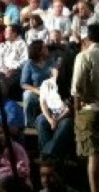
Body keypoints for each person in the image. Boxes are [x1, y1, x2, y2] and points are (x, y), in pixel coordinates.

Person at [71, 23, 99, 192]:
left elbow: (77, 89)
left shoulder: (84, 56)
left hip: (90, 110)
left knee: (93, 157)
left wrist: (76, 113)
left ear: (88, 38)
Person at [36, 68, 75, 158]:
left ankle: (46, 155)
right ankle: (51, 156)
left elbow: (69, 109)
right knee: (40, 120)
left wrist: (57, 120)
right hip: (50, 113)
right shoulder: (46, 83)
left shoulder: (69, 85)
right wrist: (50, 120)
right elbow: (43, 104)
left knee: (66, 124)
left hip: (65, 116)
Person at [20, 39, 53, 127]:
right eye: (44, 47)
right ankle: (30, 122)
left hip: (49, 89)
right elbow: (23, 84)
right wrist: (37, 91)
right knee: (27, 95)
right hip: (35, 90)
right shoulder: (29, 64)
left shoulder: (50, 61)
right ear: (39, 50)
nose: (47, 49)